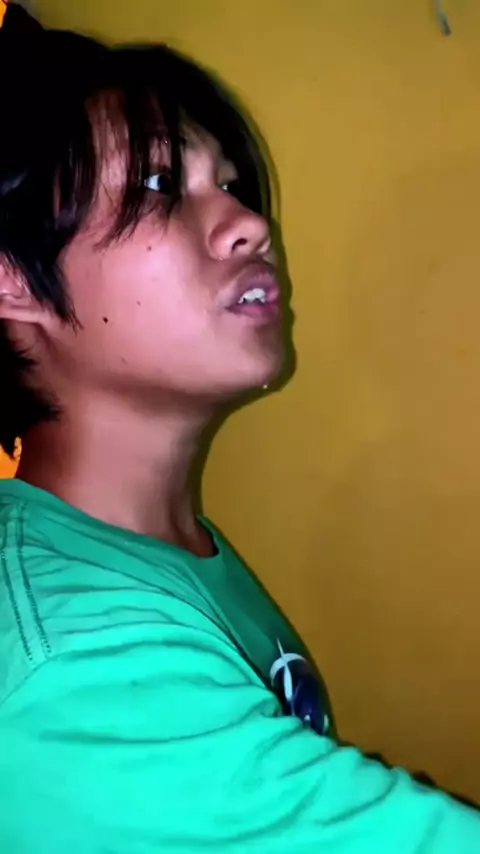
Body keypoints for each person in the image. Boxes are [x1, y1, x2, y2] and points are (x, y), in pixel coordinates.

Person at [0, 3, 478, 852]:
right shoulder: (75, 669)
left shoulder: (160, 551)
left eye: (228, 184)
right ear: (14, 282)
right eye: (158, 186)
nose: (250, 223)